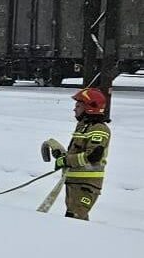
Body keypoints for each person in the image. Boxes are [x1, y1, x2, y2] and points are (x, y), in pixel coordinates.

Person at [42, 86, 111, 221]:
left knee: (74, 219)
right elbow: (78, 152)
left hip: (86, 185)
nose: (74, 109)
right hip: (75, 182)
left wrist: (66, 161)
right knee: (75, 220)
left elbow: (92, 156)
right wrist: (61, 155)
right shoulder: (84, 127)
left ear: (90, 107)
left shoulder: (99, 129)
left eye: (78, 106)